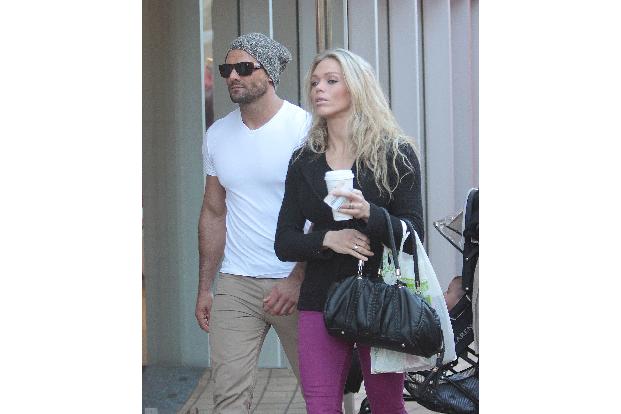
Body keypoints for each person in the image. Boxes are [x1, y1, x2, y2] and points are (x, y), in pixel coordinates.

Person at [274, 48, 425, 414]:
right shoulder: (304, 160)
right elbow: (284, 241)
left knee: (387, 405)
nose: (318, 89)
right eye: (314, 83)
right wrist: (328, 239)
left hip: (382, 299)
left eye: (331, 81)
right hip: (320, 298)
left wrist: (371, 213)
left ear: (357, 88)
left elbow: (414, 236)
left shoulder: (396, 154)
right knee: (321, 406)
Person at [195, 32, 311, 413]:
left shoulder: (305, 130)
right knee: (228, 398)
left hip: (298, 281)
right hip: (236, 282)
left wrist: (298, 277)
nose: (233, 76)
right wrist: (205, 287)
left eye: (244, 68)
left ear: (270, 73)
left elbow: (324, 214)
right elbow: (214, 212)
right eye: (227, 69)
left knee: (322, 395)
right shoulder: (217, 135)